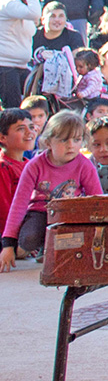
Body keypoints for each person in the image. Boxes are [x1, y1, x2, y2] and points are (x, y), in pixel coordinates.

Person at [1, 111, 101, 264]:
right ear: (48, 142)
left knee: (76, 239)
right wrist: (8, 244)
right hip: (41, 212)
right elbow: (19, 204)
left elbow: (97, 201)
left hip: (70, 215)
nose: (71, 146)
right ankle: (44, 246)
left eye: (77, 140)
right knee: (28, 240)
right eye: (63, 140)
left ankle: (55, 249)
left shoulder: (85, 165)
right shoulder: (34, 165)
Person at [0, 0, 44, 108]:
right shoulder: (9, 4)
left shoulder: (24, 9)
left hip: (22, 65)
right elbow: (35, 13)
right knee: (13, 109)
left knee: (28, 107)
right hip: (6, 65)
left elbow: (35, 21)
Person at [0, 109, 34, 272]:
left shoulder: (31, 165)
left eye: (31, 127)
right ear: (2, 137)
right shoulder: (3, 167)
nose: (29, 132)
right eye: (21, 129)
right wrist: (15, 241)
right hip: (7, 233)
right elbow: (6, 209)